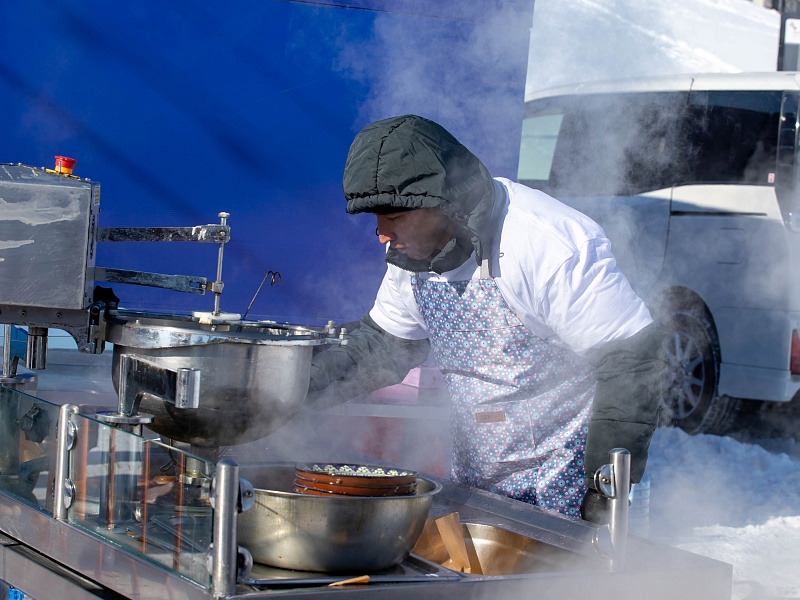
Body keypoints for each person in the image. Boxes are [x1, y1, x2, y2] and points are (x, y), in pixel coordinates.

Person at [307, 114, 664, 522]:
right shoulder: (410, 257)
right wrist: (286, 396)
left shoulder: (548, 244)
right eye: (376, 219)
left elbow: (632, 362)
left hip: (570, 485)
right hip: (476, 482)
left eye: (394, 217)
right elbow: (382, 345)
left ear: (443, 203)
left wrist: (602, 488)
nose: (382, 235)